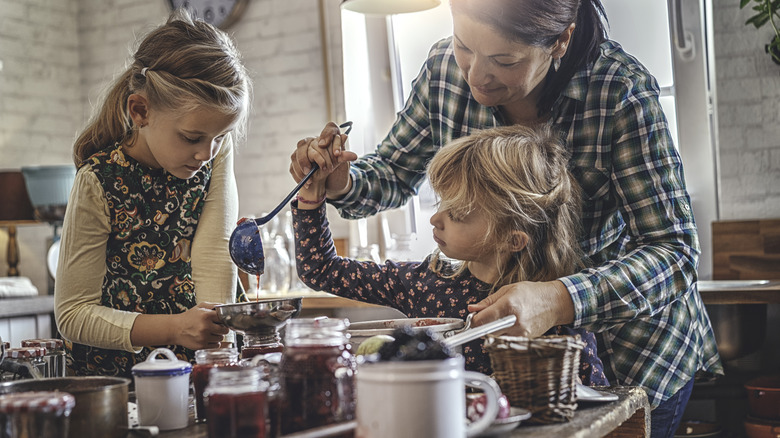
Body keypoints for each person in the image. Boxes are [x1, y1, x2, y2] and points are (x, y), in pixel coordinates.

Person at [291, 0, 723, 435]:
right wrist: (339, 182)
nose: (475, 76)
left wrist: (558, 299)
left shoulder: (618, 91)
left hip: (635, 355)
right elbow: (389, 174)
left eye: (504, 60)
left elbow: (674, 252)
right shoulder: (443, 71)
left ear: (560, 41)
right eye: (464, 46)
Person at [293, 124, 608, 386]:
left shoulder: (553, 311)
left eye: (457, 213)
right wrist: (312, 195)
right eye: (441, 203)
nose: (435, 218)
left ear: (512, 239)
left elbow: (595, 405)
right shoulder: (425, 283)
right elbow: (319, 269)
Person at [54, 10, 251, 378]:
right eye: (192, 138)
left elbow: (213, 259)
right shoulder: (98, 181)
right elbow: (73, 315)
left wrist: (216, 358)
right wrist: (175, 327)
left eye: (220, 137)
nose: (206, 154)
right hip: (118, 382)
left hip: (199, 369)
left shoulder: (210, 153)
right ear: (140, 110)